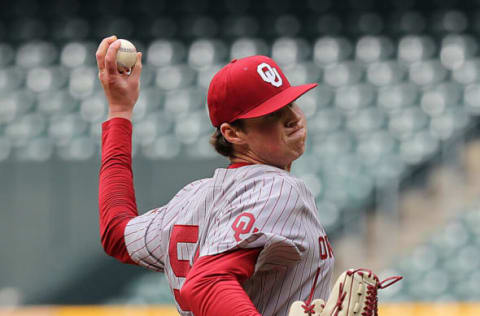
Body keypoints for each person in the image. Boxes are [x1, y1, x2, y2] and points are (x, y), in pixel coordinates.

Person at [96, 35, 335, 316]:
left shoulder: (191, 198)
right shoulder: (278, 189)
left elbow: (117, 233)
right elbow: (206, 283)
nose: (292, 117)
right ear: (232, 133)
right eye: (271, 114)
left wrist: (120, 111)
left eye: (290, 102)